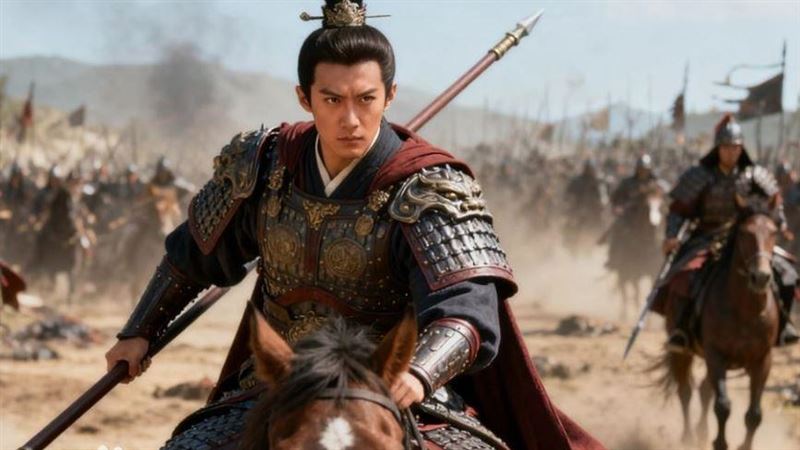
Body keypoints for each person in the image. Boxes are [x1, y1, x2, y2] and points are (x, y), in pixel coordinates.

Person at [105, 1, 602, 449]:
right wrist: (140, 330)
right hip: (281, 383)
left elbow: (466, 310)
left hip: (393, 388)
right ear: (305, 98)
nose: (351, 120)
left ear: (390, 95)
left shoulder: (427, 186)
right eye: (332, 100)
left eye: (366, 99)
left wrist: (418, 373)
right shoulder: (263, 166)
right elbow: (193, 255)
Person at [657, 114, 799, 352]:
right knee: (684, 275)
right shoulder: (700, 175)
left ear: (741, 148)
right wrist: (672, 235)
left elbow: (775, 205)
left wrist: (780, 223)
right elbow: (677, 210)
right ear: (718, 148)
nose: (731, 152)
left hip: (748, 239)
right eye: (726, 147)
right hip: (706, 237)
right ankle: (682, 330)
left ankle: (783, 325)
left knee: (786, 273)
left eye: (735, 147)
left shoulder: (755, 175)